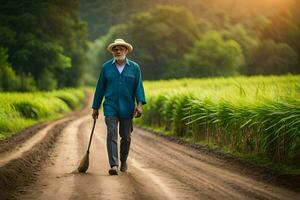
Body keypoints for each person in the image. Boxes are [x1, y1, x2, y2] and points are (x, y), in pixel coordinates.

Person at [91, 38, 146, 175]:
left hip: (127, 108)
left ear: (126, 50)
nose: (118, 51)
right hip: (111, 107)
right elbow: (100, 88)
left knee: (126, 137)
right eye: (115, 49)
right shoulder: (106, 68)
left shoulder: (134, 68)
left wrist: (139, 105)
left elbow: (138, 87)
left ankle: (124, 160)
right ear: (113, 52)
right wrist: (95, 107)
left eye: (121, 48)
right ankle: (114, 164)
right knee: (111, 134)